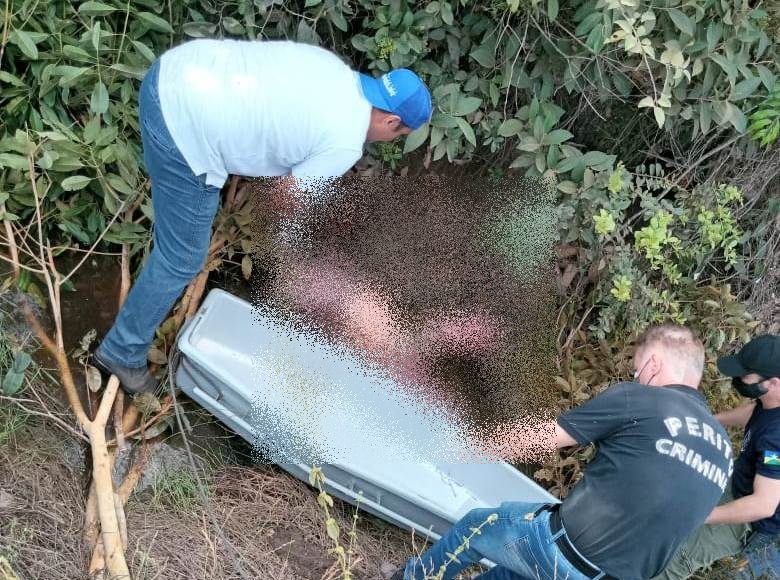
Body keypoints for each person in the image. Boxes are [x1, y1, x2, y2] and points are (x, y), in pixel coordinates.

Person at [90, 38, 432, 394]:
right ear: (392, 121)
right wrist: (288, 252)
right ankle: (121, 352)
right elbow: (284, 198)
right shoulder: (345, 141)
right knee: (182, 258)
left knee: (184, 229)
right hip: (183, 127)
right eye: (398, 136)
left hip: (172, 71)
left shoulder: (332, 68)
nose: (390, 141)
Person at [389, 324, 734, 580]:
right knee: (513, 572)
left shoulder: (643, 399)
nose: (637, 377)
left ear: (654, 364)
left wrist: (466, 443)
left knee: (479, 526)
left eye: (637, 369)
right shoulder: (723, 449)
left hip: (566, 550)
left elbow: (541, 437)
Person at [652, 334, 780, 580]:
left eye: (746, 375)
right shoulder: (771, 400)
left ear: (773, 382)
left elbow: (764, 504)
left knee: (673, 560)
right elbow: (755, 411)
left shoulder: (776, 442)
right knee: (664, 525)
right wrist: (706, 421)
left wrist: (701, 515)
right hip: (738, 480)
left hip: (745, 519)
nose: (739, 379)